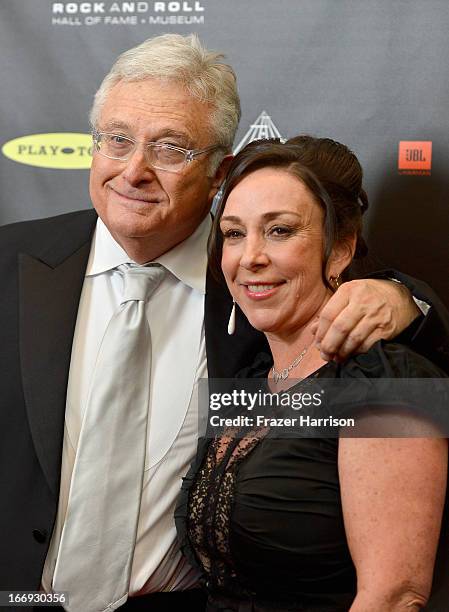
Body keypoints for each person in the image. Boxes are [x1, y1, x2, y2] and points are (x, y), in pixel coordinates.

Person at [0, 34, 447, 612]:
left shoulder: (250, 291)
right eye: (117, 139)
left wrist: (405, 298)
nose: (134, 169)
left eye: (169, 147)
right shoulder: (11, 263)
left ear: (219, 172)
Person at [175, 137, 448, 611]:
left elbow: (394, 597)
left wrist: (403, 298)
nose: (250, 257)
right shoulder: (248, 379)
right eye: (234, 234)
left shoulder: (383, 383)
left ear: (340, 249)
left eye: (279, 231)